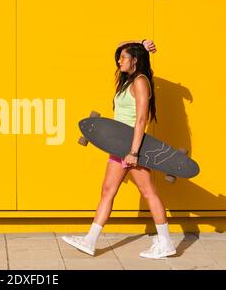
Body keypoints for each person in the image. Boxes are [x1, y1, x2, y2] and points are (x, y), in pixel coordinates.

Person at [62, 39, 176, 259]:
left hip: (133, 147)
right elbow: (118, 45)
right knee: (107, 190)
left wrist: (133, 152)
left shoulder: (141, 82)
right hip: (119, 145)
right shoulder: (127, 81)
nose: (118, 60)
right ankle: (90, 240)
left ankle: (166, 242)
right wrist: (141, 42)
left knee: (148, 192)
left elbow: (142, 119)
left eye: (123, 57)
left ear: (134, 60)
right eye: (119, 56)